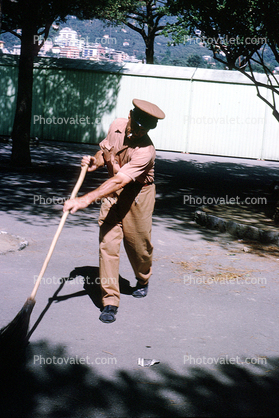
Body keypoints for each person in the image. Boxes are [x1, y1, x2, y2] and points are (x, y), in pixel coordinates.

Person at [63, 99, 165, 323]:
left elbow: (120, 179)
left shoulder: (146, 151)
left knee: (139, 247)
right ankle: (110, 301)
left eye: (145, 128)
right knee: (107, 245)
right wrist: (95, 162)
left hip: (138, 195)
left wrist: (85, 199)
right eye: (137, 125)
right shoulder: (116, 125)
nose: (139, 131)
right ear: (129, 116)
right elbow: (106, 151)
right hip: (112, 194)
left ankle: (143, 277)